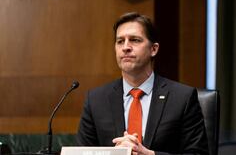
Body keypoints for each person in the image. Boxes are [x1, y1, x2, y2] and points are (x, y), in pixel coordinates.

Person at [77, 12, 209, 155]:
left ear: (153, 49)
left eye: (134, 40)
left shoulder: (182, 98)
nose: (126, 47)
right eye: (120, 41)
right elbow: (82, 152)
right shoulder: (96, 100)